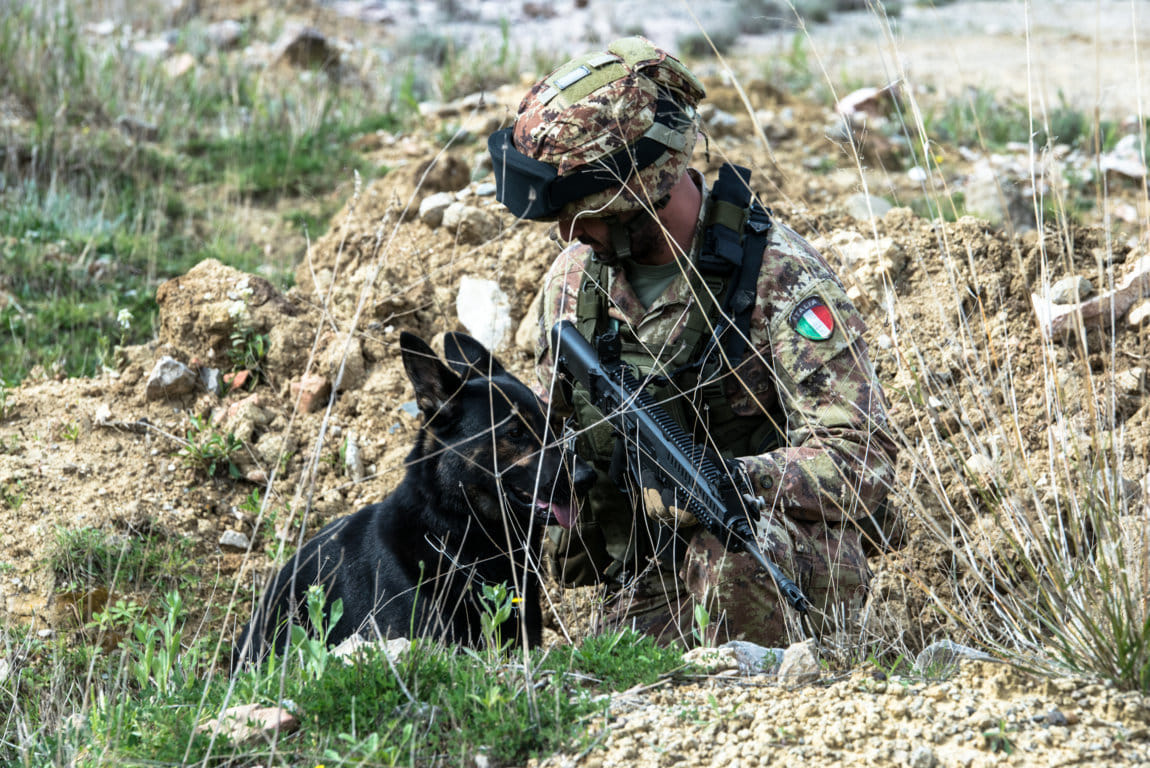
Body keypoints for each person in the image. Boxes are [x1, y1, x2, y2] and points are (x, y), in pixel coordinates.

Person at [487, 36, 899, 647]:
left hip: (769, 551)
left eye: (579, 214)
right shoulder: (575, 282)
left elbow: (863, 457)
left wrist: (735, 479)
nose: (566, 233)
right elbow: (554, 433)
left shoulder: (778, 280)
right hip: (648, 568)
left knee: (731, 548)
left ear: (635, 196)